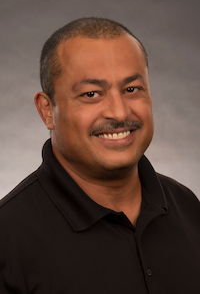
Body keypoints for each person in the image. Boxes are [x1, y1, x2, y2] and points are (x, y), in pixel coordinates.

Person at [0, 17, 200, 294]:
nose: (119, 113)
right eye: (91, 94)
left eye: (132, 89)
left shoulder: (188, 206)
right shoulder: (7, 239)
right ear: (47, 110)